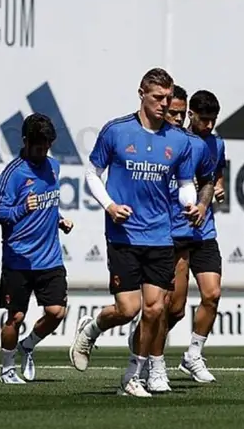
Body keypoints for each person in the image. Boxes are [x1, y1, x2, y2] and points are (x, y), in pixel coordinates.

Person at [69, 68, 203, 398]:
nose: (164, 104)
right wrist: (110, 206)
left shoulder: (178, 140)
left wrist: (190, 204)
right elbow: (92, 174)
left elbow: (186, 183)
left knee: (156, 309)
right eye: (158, 97)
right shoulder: (116, 131)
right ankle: (94, 326)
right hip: (124, 234)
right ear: (141, 93)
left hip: (160, 234)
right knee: (128, 309)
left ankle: (133, 374)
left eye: (168, 98)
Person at [129, 88, 225, 385]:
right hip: (176, 231)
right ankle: (144, 351)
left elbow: (213, 177)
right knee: (175, 309)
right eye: (203, 119)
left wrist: (211, 196)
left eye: (213, 120)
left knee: (212, 294)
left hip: (203, 228)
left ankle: (193, 355)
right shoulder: (175, 141)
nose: (208, 125)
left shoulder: (215, 144)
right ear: (190, 115)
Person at [0, 114, 74, 384]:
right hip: (19, 260)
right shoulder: (13, 173)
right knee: (15, 316)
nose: (43, 151)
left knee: (56, 312)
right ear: (25, 142)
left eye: (47, 146)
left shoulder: (54, 167)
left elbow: (49, 203)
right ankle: (7, 369)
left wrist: (59, 219)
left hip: (49, 257)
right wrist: (22, 209)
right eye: (38, 146)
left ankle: (28, 346)